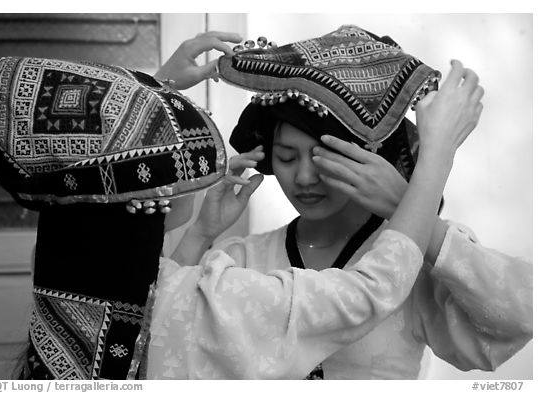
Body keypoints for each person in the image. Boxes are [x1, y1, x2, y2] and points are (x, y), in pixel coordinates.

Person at [0, 29, 482, 380]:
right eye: (286, 156)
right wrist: (436, 158)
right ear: (145, 200)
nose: (303, 176)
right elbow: (367, 293)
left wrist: (158, 87)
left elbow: (100, 179)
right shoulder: (212, 296)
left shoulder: (70, 277)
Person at [170, 25, 533, 379]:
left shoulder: (418, 260)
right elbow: (158, 323)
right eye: (286, 157)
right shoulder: (245, 259)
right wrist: (201, 232)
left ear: (368, 158)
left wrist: (403, 205)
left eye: (324, 155)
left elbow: (523, 313)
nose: (304, 178)